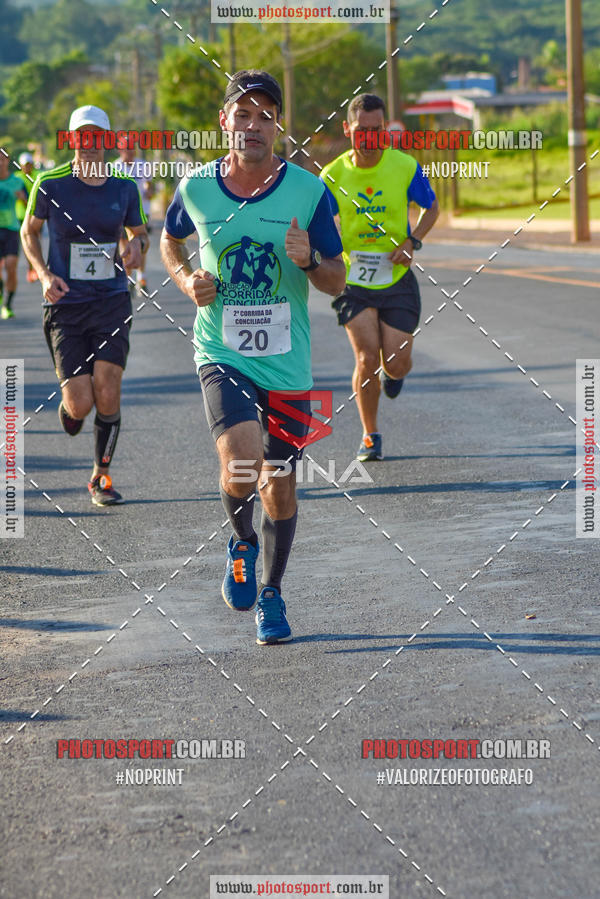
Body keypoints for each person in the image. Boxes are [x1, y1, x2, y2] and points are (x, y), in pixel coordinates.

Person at [160, 70, 345, 645]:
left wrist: (310, 259)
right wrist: (187, 277)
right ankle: (239, 542)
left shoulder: (310, 193)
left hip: (287, 360)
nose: (254, 125)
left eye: (266, 115)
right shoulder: (196, 188)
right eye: (243, 114)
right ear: (225, 122)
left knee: (280, 485)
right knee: (240, 458)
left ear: (278, 127)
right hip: (221, 350)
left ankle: (272, 593)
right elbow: (171, 239)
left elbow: (338, 282)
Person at [20, 105, 149, 505]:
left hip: (111, 300)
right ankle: (72, 409)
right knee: (81, 402)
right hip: (66, 305)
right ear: (73, 139)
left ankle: (101, 477)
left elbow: (140, 233)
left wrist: (136, 249)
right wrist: (43, 275)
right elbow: (29, 232)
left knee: (108, 389)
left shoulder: (124, 187)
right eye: (83, 136)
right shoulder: (50, 182)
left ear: (108, 142)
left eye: (99, 137)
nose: (91, 144)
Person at [320, 94, 439, 462]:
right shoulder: (332, 176)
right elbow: (319, 224)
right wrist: (327, 250)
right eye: (362, 131)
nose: (370, 138)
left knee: (395, 362)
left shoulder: (404, 166)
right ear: (347, 130)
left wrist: (412, 239)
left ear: (384, 129)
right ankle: (370, 435)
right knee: (366, 358)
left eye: (377, 131)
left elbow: (431, 206)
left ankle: (396, 373)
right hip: (354, 282)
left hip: (397, 278)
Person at [113, 142, 154, 294]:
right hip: (122, 213)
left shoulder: (142, 165)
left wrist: (149, 191)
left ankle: (141, 278)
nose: (130, 152)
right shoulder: (114, 167)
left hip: (142, 211)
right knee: (125, 247)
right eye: (126, 149)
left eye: (132, 149)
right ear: (120, 150)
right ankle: (128, 279)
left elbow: (149, 185)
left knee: (141, 243)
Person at [0, 152, 27, 319]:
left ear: (7, 161)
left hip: (11, 228)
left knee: (11, 266)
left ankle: (8, 304)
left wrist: (22, 198)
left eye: (2, 160)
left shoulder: (17, 182)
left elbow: (29, 203)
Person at [15, 152, 39, 283]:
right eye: (25, 165)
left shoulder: (38, 175)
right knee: (26, 242)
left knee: (36, 241)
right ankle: (31, 268)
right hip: (20, 215)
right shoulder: (17, 178)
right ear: (21, 166)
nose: (27, 167)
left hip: (36, 215)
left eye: (29, 165)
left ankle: (36, 267)